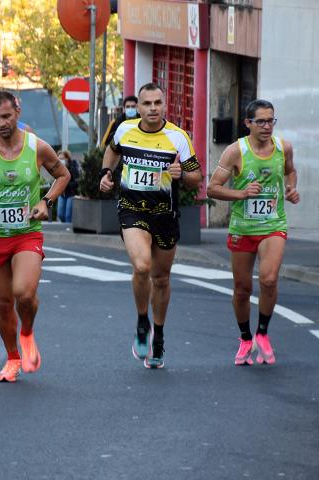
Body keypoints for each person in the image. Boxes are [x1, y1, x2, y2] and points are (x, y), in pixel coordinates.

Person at [0, 90, 70, 383]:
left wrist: (47, 201)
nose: (2, 123)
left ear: (17, 112)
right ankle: (12, 357)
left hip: (26, 233)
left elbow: (63, 175)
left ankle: (27, 333)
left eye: (6, 116)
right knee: (3, 304)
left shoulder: (37, 147)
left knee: (24, 294)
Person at [99, 83, 202, 369]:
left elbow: (197, 177)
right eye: (147, 103)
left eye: (158, 103)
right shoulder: (125, 130)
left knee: (161, 278)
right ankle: (142, 322)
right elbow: (111, 152)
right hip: (131, 209)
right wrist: (106, 173)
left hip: (164, 214)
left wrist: (182, 173)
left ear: (164, 104)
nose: (153, 108)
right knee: (142, 266)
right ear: (138, 107)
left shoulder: (178, 137)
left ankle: (159, 334)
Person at [206, 99, 299, 366]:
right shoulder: (235, 151)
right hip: (243, 227)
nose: (267, 126)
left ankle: (263, 333)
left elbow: (291, 172)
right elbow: (212, 188)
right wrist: (241, 193)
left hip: (273, 225)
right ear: (248, 123)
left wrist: (291, 189)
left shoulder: (284, 148)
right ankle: (246, 337)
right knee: (242, 288)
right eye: (261, 121)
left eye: (271, 120)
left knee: (269, 279)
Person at [56, 150, 80, 222]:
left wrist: (66, 184)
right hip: (62, 194)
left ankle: (68, 230)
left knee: (68, 216)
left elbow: (77, 181)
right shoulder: (58, 168)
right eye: (59, 159)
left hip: (71, 194)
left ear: (67, 158)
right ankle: (63, 228)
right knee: (60, 214)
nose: (61, 161)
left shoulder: (73, 167)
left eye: (62, 159)